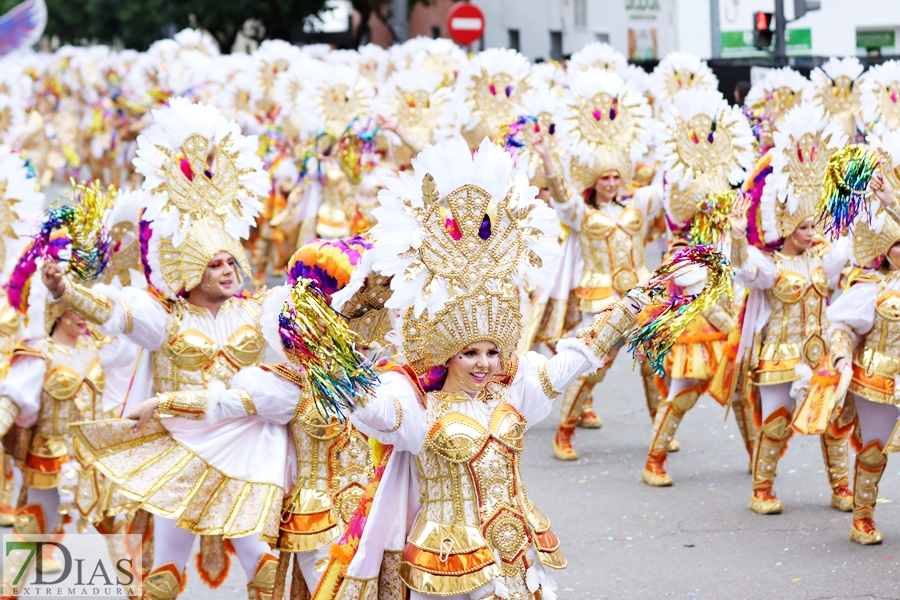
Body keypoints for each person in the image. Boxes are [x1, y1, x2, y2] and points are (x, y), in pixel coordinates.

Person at [48, 98, 282, 599]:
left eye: (230, 262)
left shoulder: (256, 311)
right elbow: (114, 310)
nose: (227, 270)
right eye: (214, 263)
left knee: (263, 566)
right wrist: (66, 292)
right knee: (164, 572)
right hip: (181, 443)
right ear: (190, 270)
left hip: (244, 447)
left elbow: (315, 310)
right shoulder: (165, 318)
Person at [728, 103, 855, 514]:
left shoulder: (823, 259)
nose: (811, 233)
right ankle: (761, 489)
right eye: (803, 227)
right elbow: (745, 269)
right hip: (778, 355)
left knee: (833, 424)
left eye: (814, 225)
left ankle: (842, 489)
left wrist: (855, 199)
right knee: (777, 422)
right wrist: (734, 237)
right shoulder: (770, 265)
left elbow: (850, 244)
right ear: (786, 228)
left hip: (819, 355)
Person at [533, 68, 661, 461]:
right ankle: (564, 432)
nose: (610, 182)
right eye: (604, 177)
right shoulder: (580, 214)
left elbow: (667, 186)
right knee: (594, 365)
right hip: (600, 297)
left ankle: (660, 433)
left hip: (639, 293)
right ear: (594, 180)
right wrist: (547, 157)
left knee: (654, 363)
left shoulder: (638, 204)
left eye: (615, 177)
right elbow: (560, 194)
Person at [827, 146, 900, 544]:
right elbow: (841, 325)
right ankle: (862, 518)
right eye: (897, 243)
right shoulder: (871, 287)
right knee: (874, 451)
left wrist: (893, 204)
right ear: (884, 251)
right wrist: (840, 358)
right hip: (878, 379)